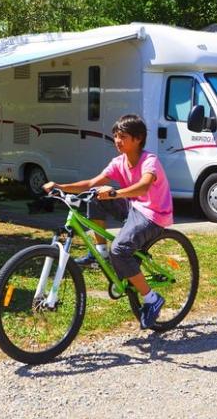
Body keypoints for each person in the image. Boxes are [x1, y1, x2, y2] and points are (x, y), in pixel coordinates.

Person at [42, 113, 173, 329]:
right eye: (115, 136)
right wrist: (61, 186)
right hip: (133, 207)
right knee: (93, 194)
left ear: (138, 138)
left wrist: (115, 193)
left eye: (123, 137)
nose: (117, 141)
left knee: (120, 250)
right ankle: (99, 253)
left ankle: (152, 299)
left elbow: (144, 186)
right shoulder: (118, 162)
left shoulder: (150, 161)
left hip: (153, 214)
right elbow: (91, 182)